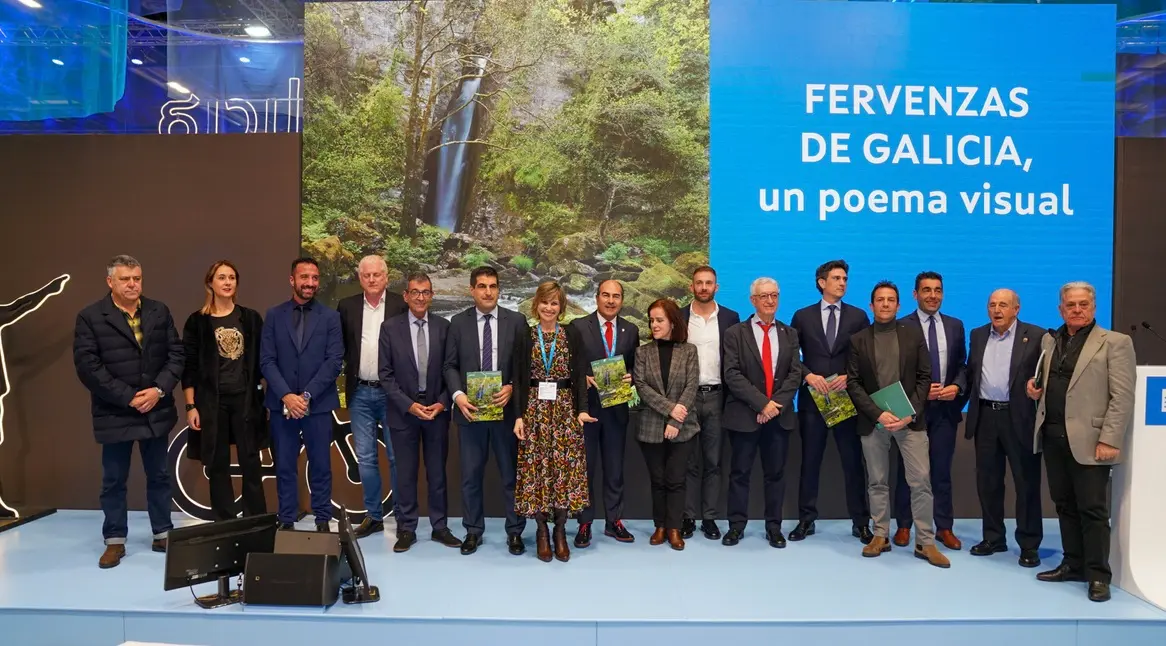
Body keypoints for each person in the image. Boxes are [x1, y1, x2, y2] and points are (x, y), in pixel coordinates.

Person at [1027, 281, 1135, 602]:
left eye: (1083, 305)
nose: (1076, 310)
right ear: (1061, 308)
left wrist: (1110, 438)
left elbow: (1122, 396)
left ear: (1093, 308)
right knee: (1064, 506)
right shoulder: (1050, 339)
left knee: (1093, 510)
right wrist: (1034, 391)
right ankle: (1072, 564)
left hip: (1092, 441)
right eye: (1070, 305)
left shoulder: (1115, 342)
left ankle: (1098, 574)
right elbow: (1048, 384)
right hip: (1053, 436)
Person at [73, 255, 183, 569]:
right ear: (110, 282)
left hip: (155, 409)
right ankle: (114, 540)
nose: (133, 284)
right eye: (125, 279)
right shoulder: (90, 317)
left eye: (137, 278)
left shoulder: (158, 310)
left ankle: (163, 533)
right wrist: (129, 398)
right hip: (115, 412)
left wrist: (158, 390)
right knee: (113, 480)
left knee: (159, 476)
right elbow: (88, 367)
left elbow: (176, 354)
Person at [846, 281, 949, 568]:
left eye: (891, 299)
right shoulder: (858, 340)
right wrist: (878, 414)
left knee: (921, 483)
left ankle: (925, 542)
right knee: (877, 482)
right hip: (874, 422)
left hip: (909, 421)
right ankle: (880, 535)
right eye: (880, 299)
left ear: (899, 304)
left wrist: (910, 413)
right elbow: (853, 383)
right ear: (872, 305)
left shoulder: (913, 335)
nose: (886, 304)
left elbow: (924, 377)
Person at [443, 266, 529, 556]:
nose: (488, 291)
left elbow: (525, 367)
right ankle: (473, 531)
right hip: (470, 413)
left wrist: (513, 387)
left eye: (493, 286)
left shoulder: (517, 321)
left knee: (511, 476)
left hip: (505, 413)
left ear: (499, 289)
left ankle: (515, 532)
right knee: (470, 476)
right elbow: (449, 366)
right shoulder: (457, 322)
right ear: (472, 290)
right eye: (482, 286)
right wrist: (458, 396)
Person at [789, 259, 872, 543]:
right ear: (821, 282)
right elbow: (790, 357)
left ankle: (861, 522)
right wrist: (808, 375)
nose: (842, 283)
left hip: (846, 400)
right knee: (810, 462)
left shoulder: (859, 317)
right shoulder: (803, 316)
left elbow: (867, 357)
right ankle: (806, 520)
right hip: (813, 400)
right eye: (837, 278)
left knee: (852, 463)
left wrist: (849, 376)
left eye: (845, 278)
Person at [379, 273, 462, 552]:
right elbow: (386, 375)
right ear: (405, 296)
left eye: (425, 292)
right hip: (404, 413)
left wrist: (442, 402)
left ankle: (440, 527)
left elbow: (451, 368)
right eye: (415, 292)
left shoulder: (443, 326)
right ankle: (406, 528)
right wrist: (409, 405)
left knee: (437, 473)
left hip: (436, 411)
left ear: (432, 295)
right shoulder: (390, 328)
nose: (420, 297)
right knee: (405, 474)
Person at [511, 281, 594, 562]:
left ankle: (560, 531)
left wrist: (582, 409)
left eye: (555, 303)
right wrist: (518, 416)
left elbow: (581, 374)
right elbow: (519, 379)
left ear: (562, 307)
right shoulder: (526, 335)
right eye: (545, 302)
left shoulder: (571, 334)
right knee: (536, 471)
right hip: (534, 410)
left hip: (564, 411)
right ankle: (541, 532)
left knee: (562, 471)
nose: (549, 308)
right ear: (537, 304)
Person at [260, 257, 344, 532]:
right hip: (281, 405)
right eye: (304, 277)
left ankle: (322, 520)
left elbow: (334, 361)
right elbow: (267, 360)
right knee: (284, 466)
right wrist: (286, 395)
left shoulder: (331, 317)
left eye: (314, 278)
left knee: (321, 466)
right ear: (292, 280)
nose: (309, 283)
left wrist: (306, 396)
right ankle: (286, 520)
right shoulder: (274, 314)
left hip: (317, 405)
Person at [181, 260, 268, 521]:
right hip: (211, 403)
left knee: (251, 462)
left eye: (232, 277)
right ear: (210, 283)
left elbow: (264, 360)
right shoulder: (197, 322)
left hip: (246, 400)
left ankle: (256, 521)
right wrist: (190, 405)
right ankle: (225, 522)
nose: (227, 282)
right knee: (217, 464)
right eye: (221, 277)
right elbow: (189, 367)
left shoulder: (250, 318)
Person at [721, 278, 805, 548]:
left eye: (775, 296)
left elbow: (794, 373)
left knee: (776, 474)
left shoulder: (789, 333)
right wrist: (761, 404)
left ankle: (774, 527)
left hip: (778, 418)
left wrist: (774, 406)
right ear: (753, 300)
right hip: (745, 416)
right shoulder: (735, 333)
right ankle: (736, 527)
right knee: (739, 474)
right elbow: (732, 374)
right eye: (764, 296)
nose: (770, 301)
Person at [966, 289, 1044, 568]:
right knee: (987, 483)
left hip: (1019, 418)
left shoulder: (1036, 336)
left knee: (1026, 484)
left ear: (1016, 309)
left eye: (1003, 305)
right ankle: (993, 537)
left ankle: (1029, 544)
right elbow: (971, 373)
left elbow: (1046, 374)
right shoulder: (977, 335)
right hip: (986, 416)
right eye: (992, 305)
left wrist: (1040, 389)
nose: (997, 310)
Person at [892, 271, 967, 550]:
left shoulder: (955, 326)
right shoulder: (900, 326)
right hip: (912, 411)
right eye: (926, 290)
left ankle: (944, 527)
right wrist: (920, 393)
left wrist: (957, 388)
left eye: (937, 290)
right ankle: (903, 525)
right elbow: (895, 371)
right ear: (915, 294)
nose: (932, 295)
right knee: (906, 471)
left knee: (941, 471)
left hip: (945, 411)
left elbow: (962, 365)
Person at [338, 255, 407, 538]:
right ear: (359, 278)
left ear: (387, 277)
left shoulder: (400, 305)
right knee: (365, 458)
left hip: (393, 393)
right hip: (360, 393)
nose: (372, 279)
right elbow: (339, 349)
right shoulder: (347, 307)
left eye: (377, 274)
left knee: (396, 456)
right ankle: (374, 515)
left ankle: (404, 516)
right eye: (366, 275)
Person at [567, 279, 640, 547]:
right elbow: (568, 365)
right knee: (586, 469)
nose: (611, 301)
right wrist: (582, 377)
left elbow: (634, 366)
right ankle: (584, 523)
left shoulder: (631, 330)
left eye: (616, 296)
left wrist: (631, 377)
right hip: (586, 410)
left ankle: (614, 521)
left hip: (617, 409)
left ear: (622, 300)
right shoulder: (577, 326)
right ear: (596, 298)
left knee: (615, 469)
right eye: (606, 295)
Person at [633, 298, 700, 551]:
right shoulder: (642, 352)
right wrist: (670, 408)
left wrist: (675, 419)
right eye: (651, 320)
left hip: (683, 427)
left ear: (672, 321)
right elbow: (642, 386)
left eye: (659, 320)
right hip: (650, 426)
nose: (654, 325)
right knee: (658, 480)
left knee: (676, 479)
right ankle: (659, 525)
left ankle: (674, 528)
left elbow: (691, 386)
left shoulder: (689, 351)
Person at [680, 265, 740, 540]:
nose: (704, 287)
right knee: (690, 462)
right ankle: (689, 517)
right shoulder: (679, 317)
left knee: (714, 462)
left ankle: (711, 518)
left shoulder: (730, 317)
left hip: (718, 397)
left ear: (716, 287)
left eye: (709, 283)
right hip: (687, 398)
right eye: (699, 283)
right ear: (691, 287)